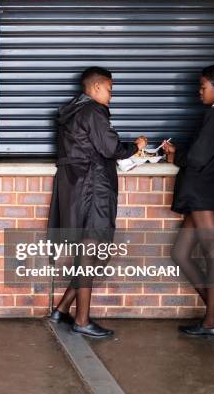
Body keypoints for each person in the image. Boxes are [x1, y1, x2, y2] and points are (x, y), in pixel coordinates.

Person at [47, 67, 146, 338]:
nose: (111, 96)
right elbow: (110, 148)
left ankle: (62, 309)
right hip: (93, 189)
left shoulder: (72, 112)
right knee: (93, 254)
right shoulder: (93, 111)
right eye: (110, 90)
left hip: (77, 188)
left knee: (88, 254)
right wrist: (135, 147)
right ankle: (81, 321)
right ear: (98, 87)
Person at [163, 64, 214, 337]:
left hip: (204, 193)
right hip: (202, 193)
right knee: (180, 253)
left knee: (212, 254)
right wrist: (180, 150)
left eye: (203, 86)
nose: (199, 91)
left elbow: (197, 158)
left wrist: (176, 156)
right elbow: (201, 152)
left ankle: (210, 323)